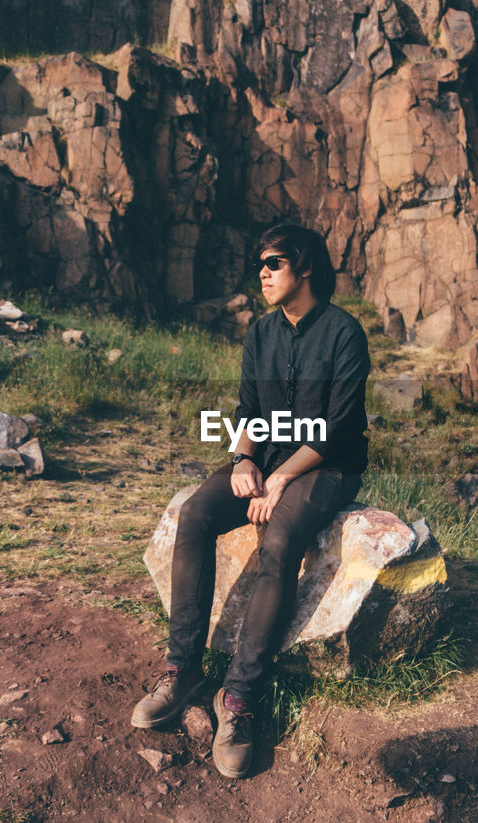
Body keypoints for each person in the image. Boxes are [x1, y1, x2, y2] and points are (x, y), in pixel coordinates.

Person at [131, 222, 370, 779]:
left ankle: (237, 699)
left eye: (274, 262)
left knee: (281, 539)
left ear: (305, 266)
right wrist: (243, 461)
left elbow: (338, 429)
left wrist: (281, 477)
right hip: (264, 462)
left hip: (327, 467)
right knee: (195, 514)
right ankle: (184, 669)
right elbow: (250, 413)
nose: (262, 273)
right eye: (259, 263)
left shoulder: (344, 332)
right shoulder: (261, 334)